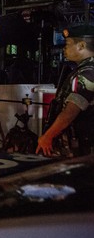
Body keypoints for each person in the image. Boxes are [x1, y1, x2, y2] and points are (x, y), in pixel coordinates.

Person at [36, 24, 94, 157]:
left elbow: (71, 110)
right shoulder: (84, 70)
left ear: (81, 46)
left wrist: (48, 136)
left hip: (82, 147)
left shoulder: (87, 73)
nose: (64, 49)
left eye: (67, 44)